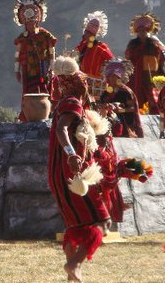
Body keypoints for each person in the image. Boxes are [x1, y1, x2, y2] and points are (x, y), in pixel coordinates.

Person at [48, 55, 109, 282]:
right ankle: (74, 265)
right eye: (81, 80)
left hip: (60, 175)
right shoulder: (72, 102)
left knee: (75, 224)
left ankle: (73, 274)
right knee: (101, 222)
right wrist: (71, 153)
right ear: (74, 83)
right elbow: (62, 131)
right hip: (73, 175)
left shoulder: (65, 104)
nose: (85, 84)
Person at [13, 0, 57, 120]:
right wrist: (17, 71)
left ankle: (47, 114)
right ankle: (28, 116)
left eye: (32, 22)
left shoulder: (46, 35)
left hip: (43, 70)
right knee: (28, 92)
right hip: (28, 70)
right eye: (28, 23)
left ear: (37, 20)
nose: (30, 25)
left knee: (45, 91)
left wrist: (52, 68)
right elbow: (17, 55)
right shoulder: (22, 38)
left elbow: (51, 51)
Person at [125, 13, 165, 114]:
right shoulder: (132, 46)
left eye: (144, 30)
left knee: (154, 101)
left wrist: (164, 75)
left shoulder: (155, 46)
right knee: (136, 99)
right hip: (135, 78)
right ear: (137, 32)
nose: (142, 33)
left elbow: (161, 61)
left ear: (147, 31)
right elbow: (127, 62)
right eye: (140, 31)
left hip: (152, 78)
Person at [99, 59, 143, 137]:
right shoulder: (106, 93)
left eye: (115, 77)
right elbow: (101, 103)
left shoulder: (125, 91)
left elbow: (133, 108)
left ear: (119, 78)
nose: (112, 79)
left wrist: (120, 110)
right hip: (108, 122)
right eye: (110, 76)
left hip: (125, 125)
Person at [76, 11, 113, 82]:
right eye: (85, 32)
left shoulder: (101, 48)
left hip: (96, 84)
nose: (85, 35)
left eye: (87, 33)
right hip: (83, 82)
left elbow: (111, 62)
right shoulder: (83, 46)